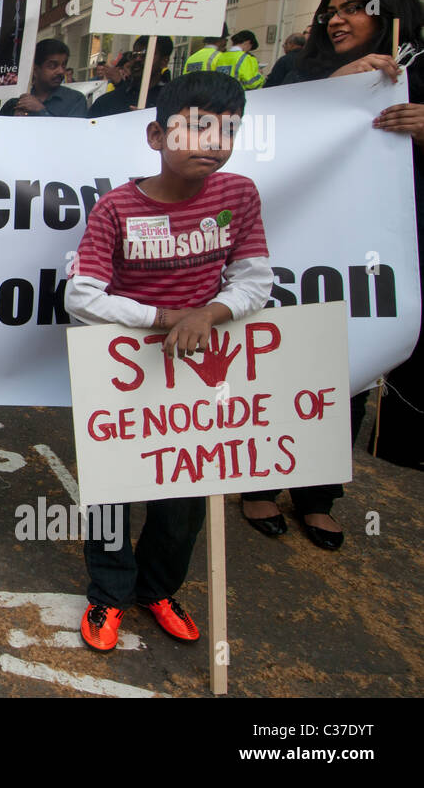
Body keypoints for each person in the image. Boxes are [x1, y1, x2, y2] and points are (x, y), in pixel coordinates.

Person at [65, 70, 272, 651]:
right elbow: (81, 296)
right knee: (111, 487)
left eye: (227, 130)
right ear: (156, 136)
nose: (212, 143)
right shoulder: (116, 209)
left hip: (200, 371)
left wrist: (208, 314)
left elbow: (255, 281)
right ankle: (108, 594)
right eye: (196, 128)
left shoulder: (239, 196)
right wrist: (163, 318)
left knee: (185, 492)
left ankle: (158, 589)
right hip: (126, 371)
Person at [243, 0, 424, 547]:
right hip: (303, 241)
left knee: (350, 363)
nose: (338, 19)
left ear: (390, 11)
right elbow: (260, 130)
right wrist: (337, 88)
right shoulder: (300, 67)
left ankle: (319, 493)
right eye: (332, 10)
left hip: (376, 251)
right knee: (282, 358)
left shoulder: (418, 72)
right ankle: (260, 484)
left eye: (353, 8)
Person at [0, 39, 88, 117]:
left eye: (63, 65)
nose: (61, 71)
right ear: (36, 69)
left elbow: (73, 134)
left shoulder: (75, 100)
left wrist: (40, 111)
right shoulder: (15, 102)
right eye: (53, 66)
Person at [89, 35, 174, 116]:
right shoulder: (106, 103)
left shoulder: (174, 101)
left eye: (145, 55)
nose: (137, 59)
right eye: (134, 55)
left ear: (164, 61)